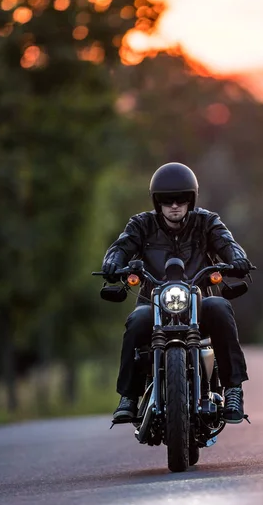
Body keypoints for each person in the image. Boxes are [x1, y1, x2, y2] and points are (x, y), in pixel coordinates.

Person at [101, 162, 254, 425]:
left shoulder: (206, 222)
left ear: (190, 200)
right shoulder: (141, 225)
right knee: (137, 321)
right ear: (157, 202)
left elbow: (227, 243)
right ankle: (128, 396)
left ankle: (233, 390)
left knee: (219, 306)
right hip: (154, 305)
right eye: (167, 200)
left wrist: (238, 259)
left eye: (181, 199)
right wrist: (113, 263)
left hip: (198, 304)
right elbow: (121, 246)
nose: (175, 205)